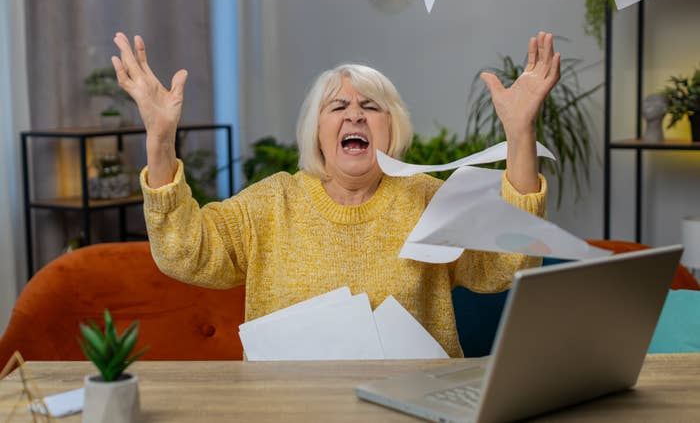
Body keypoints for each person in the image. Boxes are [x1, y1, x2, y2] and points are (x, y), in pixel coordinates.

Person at [111, 31, 560, 358]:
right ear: (317, 130)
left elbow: (507, 264)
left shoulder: (427, 198)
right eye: (339, 107)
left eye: (370, 107)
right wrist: (160, 139)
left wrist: (521, 134)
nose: (355, 117)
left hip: (413, 408)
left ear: (392, 128)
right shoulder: (271, 204)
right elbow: (183, 252)